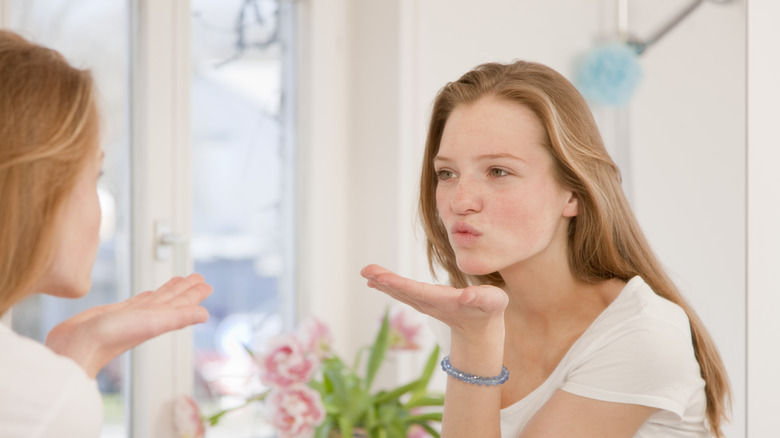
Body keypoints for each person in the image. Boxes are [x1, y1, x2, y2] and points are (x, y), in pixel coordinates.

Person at [361, 60, 730, 437]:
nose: (460, 201)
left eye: (498, 171)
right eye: (447, 173)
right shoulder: (473, 316)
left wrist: (474, 341)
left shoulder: (640, 335)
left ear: (573, 193)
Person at [0, 30, 212, 437]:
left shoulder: (41, 392)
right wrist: (63, 383)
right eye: (94, 176)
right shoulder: (38, 395)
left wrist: (77, 358)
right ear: (37, 188)